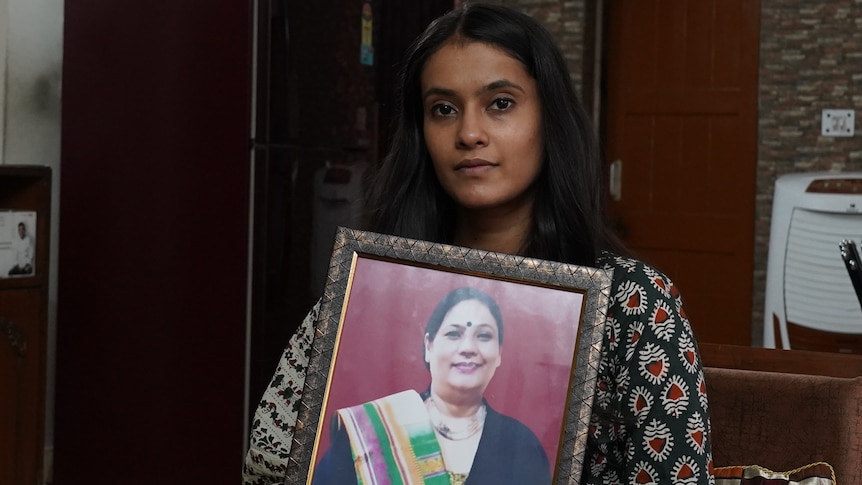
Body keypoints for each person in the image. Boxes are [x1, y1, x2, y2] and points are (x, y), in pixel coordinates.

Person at [243, 4, 714, 484]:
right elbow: (269, 460)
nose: (469, 133)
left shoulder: (632, 302)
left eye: (501, 103)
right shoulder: (366, 289)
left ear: (549, 118)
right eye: (443, 110)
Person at [311, 287, 550, 485]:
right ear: (429, 345)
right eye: (454, 334)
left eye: (484, 336)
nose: (468, 348)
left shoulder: (521, 444)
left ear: (498, 353)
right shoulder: (373, 429)